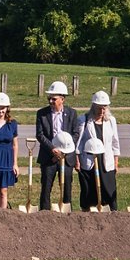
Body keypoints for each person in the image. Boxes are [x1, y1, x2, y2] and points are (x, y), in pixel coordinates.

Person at [35, 80, 80, 211]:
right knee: (46, 188)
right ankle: (44, 213)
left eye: (54, 99)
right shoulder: (42, 113)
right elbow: (40, 135)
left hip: (66, 158)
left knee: (66, 188)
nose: (50, 101)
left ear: (62, 99)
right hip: (49, 157)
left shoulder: (72, 113)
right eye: (49, 98)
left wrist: (63, 152)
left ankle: (67, 212)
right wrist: (53, 149)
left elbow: (76, 134)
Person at [76, 90, 120, 211]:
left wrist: (116, 161)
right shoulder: (83, 121)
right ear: (93, 106)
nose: (102, 111)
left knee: (109, 188)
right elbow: (78, 144)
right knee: (89, 189)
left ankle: (112, 212)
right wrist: (77, 160)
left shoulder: (111, 121)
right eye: (99, 108)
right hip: (89, 160)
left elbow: (115, 142)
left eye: (104, 108)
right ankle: (88, 211)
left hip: (106, 161)